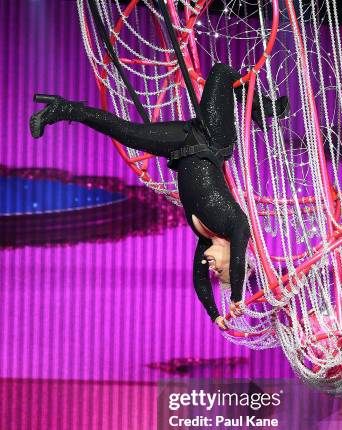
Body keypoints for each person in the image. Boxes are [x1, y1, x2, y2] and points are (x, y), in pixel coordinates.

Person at [30, 63, 289, 329]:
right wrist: (236, 297)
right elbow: (237, 267)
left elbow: (198, 281)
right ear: (235, 257)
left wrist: (215, 315)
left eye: (215, 273)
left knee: (127, 133)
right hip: (212, 139)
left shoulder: (204, 237)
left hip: (183, 143)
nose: (212, 269)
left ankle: (64, 108)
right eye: (220, 271)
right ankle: (262, 107)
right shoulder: (236, 225)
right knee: (221, 72)